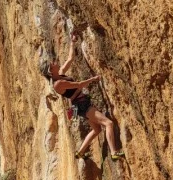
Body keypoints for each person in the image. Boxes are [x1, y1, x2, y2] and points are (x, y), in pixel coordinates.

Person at [40, 32, 124, 160]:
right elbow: (79, 85)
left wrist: (73, 42)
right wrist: (94, 79)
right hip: (82, 104)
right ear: (51, 71)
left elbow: (70, 59)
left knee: (96, 130)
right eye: (53, 64)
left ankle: (80, 152)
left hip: (80, 104)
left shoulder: (61, 74)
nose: (55, 62)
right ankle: (114, 152)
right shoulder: (58, 84)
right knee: (108, 123)